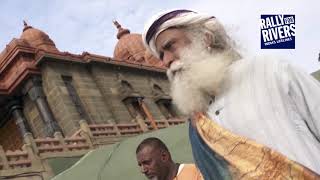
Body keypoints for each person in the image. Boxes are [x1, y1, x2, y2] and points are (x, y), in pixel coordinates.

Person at [142, 9, 320, 179]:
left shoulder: (270, 70)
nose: (166, 61)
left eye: (170, 46)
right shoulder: (198, 124)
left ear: (205, 39)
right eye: (161, 55)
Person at [136, 137, 203, 180]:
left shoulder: (196, 173)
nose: (143, 170)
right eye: (140, 165)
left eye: (147, 163)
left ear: (164, 157)